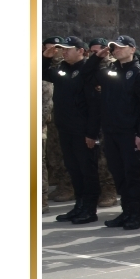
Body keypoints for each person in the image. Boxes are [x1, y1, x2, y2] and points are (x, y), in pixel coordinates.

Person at [91, 36, 140, 230]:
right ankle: (126, 212)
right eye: (113, 48)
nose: (115, 50)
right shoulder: (111, 70)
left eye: (120, 47)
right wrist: (97, 57)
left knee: (132, 174)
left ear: (132, 49)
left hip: (130, 133)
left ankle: (136, 214)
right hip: (111, 131)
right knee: (118, 173)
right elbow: (88, 75)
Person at [44, 37, 104, 223]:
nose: (64, 52)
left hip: (83, 131)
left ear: (81, 51)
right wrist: (46, 57)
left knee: (87, 171)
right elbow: (42, 73)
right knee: (74, 169)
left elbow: (94, 106)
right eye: (62, 49)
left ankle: (89, 209)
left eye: (69, 49)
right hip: (65, 129)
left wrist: (92, 133)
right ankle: (79, 205)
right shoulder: (62, 68)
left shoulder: (88, 70)